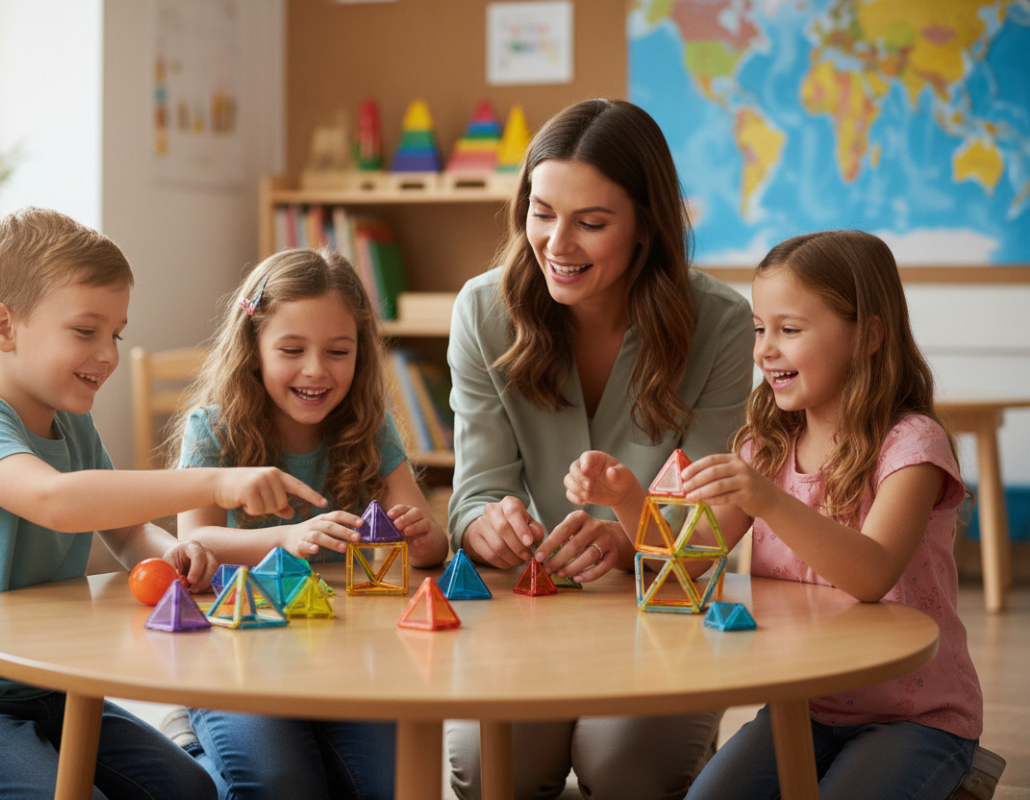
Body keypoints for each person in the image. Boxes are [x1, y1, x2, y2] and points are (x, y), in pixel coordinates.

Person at [0, 207, 328, 800]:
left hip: (43, 685)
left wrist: (171, 553)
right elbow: (55, 501)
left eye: (115, 334)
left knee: (191, 792)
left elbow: (124, 530)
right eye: (85, 331)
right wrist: (211, 483)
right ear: (4, 328)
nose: (108, 354)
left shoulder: (73, 427)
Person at [569, 230, 983, 800]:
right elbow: (685, 563)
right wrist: (624, 498)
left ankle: (958, 775)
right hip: (802, 709)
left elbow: (872, 573)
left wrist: (767, 500)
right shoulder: (765, 447)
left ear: (869, 336)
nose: (765, 349)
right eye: (759, 328)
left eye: (789, 330)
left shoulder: (912, 445)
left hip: (916, 717)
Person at [446, 98, 755, 799]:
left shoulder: (722, 322)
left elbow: (708, 524)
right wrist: (486, 524)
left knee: (624, 769)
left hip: (661, 604)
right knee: (493, 769)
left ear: (647, 225)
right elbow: (476, 490)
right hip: (533, 607)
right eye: (542, 213)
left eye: (591, 223)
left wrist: (623, 543)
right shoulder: (482, 310)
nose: (557, 244)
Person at [166, 247, 449, 800]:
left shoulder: (371, 428)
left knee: (396, 786)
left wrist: (421, 536)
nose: (316, 369)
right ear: (253, 349)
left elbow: (432, 548)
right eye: (292, 349)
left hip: (342, 653)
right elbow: (193, 542)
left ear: (360, 353)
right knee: (279, 784)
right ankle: (190, 742)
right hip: (237, 652)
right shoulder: (214, 429)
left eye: (338, 351)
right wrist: (286, 538)